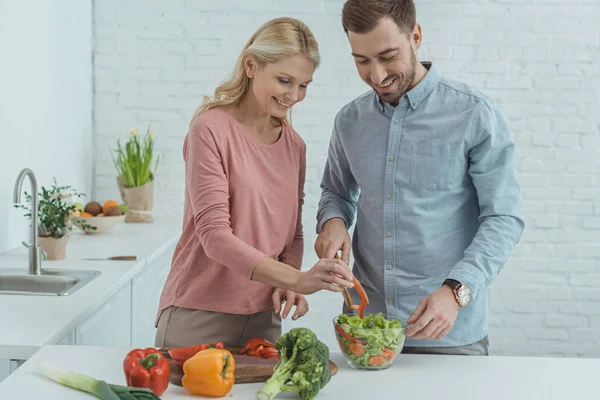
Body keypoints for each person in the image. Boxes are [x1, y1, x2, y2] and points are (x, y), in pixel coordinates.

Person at [315, 0, 525, 356]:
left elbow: (504, 218)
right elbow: (336, 191)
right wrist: (333, 221)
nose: (377, 75)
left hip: (449, 332)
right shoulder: (349, 121)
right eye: (361, 61)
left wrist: (456, 291)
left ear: (416, 36)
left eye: (387, 56)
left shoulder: (475, 114)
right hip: (366, 328)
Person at [155, 17, 354, 349]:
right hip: (198, 315)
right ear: (251, 65)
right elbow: (214, 236)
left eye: (304, 85)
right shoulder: (210, 130)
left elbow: (292, 235)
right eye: (285, 80)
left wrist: (288, 281)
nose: (294, 95)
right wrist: (299, 279)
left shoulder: (294, 146)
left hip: (264, 318)